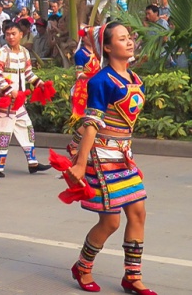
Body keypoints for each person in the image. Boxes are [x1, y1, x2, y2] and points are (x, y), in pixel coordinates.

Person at [66, 23, 156, 295]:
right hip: (103, 156)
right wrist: (81, 163)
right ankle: (82, 266)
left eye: (130, 37)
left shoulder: (133, 77)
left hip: (124, 156)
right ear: (107, 47)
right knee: (111, 221)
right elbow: (91, 123)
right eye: (122, 39)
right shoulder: (101, 81)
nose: (129, 42)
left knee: (138, 212)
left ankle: (132, 276)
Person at [0, 21, 52, 178]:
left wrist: (39, 83)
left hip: (19, 101)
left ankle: (33, 162)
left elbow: (28, 73)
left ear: (21, 35)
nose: (10, 37)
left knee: (27, 128)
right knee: (2, 132)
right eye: (7, 34)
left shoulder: (24, 52)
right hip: (5, 101)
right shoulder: (1, 53)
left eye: (13, 34)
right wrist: (9, 91)